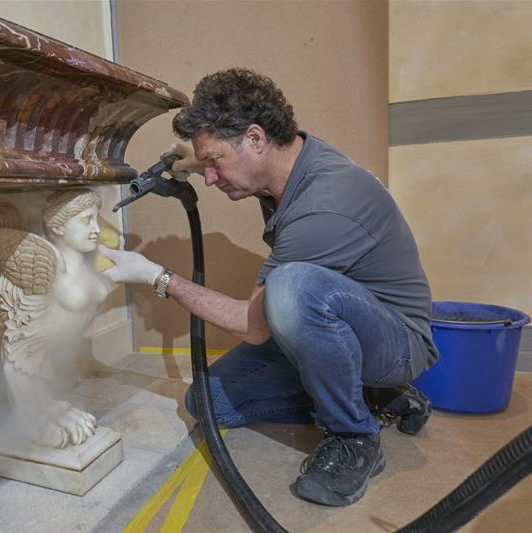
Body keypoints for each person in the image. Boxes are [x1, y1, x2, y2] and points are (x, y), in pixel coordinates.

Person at [98, 68, 437, 507]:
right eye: (208, 166)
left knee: (291, 287)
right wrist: (198, 158)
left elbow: (253, 325)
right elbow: (237, 165)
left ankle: (354, 435)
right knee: (207, 402)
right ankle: (373, 397)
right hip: (337, 325)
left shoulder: (327, 201)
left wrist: (157, 278)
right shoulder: (286, 168)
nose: (211, 178)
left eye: (215, 162)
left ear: (255, 138)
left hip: (395, 343)